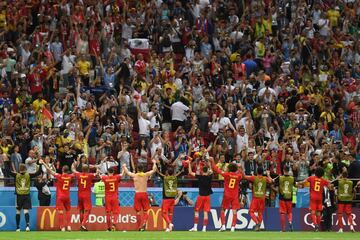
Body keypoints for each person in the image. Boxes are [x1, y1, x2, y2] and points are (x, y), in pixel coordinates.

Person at [9, 160, 44, 231]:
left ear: (19, 169)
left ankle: (18, 228)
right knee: (26, 211)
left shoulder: (16, 175)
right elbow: (38, 173)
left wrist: (6, 162)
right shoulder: (28, 175)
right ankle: (27, 226)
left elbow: (8, 171)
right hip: (26, 195)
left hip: (19, 196)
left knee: (18, 211)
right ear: (25, 169)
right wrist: (40, 164)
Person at [122, 160, 157, 231]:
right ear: (143, 169)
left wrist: (124, 166)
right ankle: (144, 222)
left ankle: (138, 227)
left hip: (137, 194)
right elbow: (154, 170)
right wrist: (154, 163)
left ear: (137, 169)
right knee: (146, 211)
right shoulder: (146, 175)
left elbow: (127, 172)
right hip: (144, 193)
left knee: (138, 212)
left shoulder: (135, 175)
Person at [210, 158, 243, 232]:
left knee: (223, 210)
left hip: (227, 195)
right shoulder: (238, 176)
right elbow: (242, 174)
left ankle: (223, 226)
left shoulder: (226, 174)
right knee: (234, 211)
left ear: (229, 169)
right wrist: (239, 167)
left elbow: (216, 169)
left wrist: (212, 161)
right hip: (235, 196)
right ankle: (233, 227)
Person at [42, 164, 74, 231]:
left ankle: (62, 227)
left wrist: (43, 163)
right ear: (68, 171)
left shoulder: (59, 176)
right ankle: (69, 226)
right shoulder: (70, 176)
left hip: (60, 197)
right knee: (68, 211)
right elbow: (75, 172)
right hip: (67, 196)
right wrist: (73, 165)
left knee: (61, 212)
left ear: (62, 170)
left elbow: (49, 170)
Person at [299, 167, 331, 232]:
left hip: (313, 197)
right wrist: (329, 182)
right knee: (318, 213)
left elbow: (304, 182)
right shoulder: (323, 180)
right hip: (319, 198)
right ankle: (317, 227)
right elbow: (329, 186)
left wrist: (299, 183)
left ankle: (315, 224)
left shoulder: (311, 178)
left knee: (313, 212)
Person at [244, 167, 274, 231]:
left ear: (257, 172)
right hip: (262, 199)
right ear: (262, 172)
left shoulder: (254, 178)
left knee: (251, 212)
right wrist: (268, 175)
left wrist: (241, 170)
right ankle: (259, 227)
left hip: (255, 198)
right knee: (260, 213)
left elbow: (244, 176)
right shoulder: (265, 178)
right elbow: (271, 181)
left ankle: (257, 223)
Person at [188, 160, 213, 232]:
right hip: (207, 197)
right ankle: (204, 228)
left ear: (202, 171)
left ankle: (195, 227)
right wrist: (209, 164)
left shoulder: (200, 177)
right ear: (207, 171)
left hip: (201, 196)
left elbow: (190, 172)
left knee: (196, 211)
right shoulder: (210, 176)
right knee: (205, 212)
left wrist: (189, 163)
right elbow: (211, 171)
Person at [72, 164, 98, 231]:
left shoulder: (79, 174)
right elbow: (97, 173)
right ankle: (83, 224)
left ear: (82, 169)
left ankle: (81, 225)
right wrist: (96, 167)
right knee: (87, 210)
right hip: (86, 195)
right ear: (88, 170)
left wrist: (74, 164)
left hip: (80, 194)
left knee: (81, 210)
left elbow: (73, 170)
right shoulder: (90, 175)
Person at [156, 167, 183, 232]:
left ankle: (169, 224)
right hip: (172, 198)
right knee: (170, 213)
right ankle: (169, 228)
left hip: (166, 199)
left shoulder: (165, 178)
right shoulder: (175, 178)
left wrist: (155, 165)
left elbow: (158, 173)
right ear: (173, 173)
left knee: (163, 213)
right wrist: (181, 170)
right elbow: (178, 174)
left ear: (167, 173)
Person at [276, 165, 294, 232]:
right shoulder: (292, 178)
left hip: (282, 197)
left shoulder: (280, 178)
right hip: (289, 197)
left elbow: (273, 182)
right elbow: (296, 185)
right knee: (289, 212)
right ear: (289, 170)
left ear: (283, 170)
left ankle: (283, 229)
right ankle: (290, 222)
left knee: (282, 213)